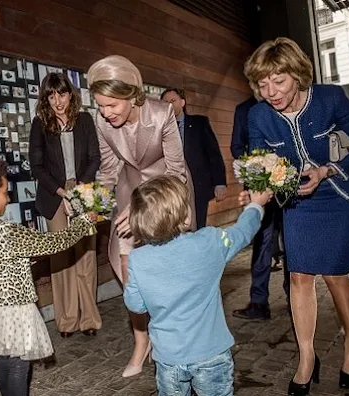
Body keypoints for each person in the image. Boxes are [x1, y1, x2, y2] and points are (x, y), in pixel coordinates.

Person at [242, 37, 349, 395]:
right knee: (299, 275)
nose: (270, 91)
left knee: (334, 274)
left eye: (279, 80)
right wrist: (257, 186)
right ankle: (306, 358)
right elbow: (261, 162)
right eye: (262, 83)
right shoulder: (258, 115)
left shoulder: (330, 98)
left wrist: (326, 170)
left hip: (339, 194)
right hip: (298, 199)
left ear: (298, 75)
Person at [87, 54, 196, 377]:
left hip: (168, 192)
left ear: (132, 95)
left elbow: (176, 172)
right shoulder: (101, 119)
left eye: (112, 106)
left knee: (173, 270)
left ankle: (176, 337)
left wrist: (143, 208)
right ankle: (142, 339)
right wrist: (91, 200)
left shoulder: (161, 113)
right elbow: (109, 170)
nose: (106, 113)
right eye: (101, 106)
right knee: (127, 266)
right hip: (129, 190)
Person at [0, 155, 94, 396]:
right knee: (19, 365)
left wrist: (15, 267)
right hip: (17, 310)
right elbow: (54, 243)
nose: (8, 198)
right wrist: (81, 223)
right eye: (5, 193)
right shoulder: (8, 230)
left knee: (3, 361)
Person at [124, 175, 271, 395]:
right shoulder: (210, 241)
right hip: (211, 353)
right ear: (183, 216)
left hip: (168, 358)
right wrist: (255, 205)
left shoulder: (138, 259)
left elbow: (135, 305)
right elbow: (242, 233)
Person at [29, 72, 102, 338]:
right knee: (61, 258)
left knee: (85, 255)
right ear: (45, 98)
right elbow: (36, 166)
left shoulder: (84, 121)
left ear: (71, 94)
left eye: (62, 93)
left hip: (82, 189)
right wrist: (62, 192)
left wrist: (79, 191)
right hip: (53, 194)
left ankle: (89, 320)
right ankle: (68, 320)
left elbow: (95, 157)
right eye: (51, 95)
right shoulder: (40, 124)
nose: (57, 101)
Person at [231, 96, 290, 320]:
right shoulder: (243, 109)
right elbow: (236, 146)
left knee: (290, 242)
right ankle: (258, 302)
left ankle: (294, 297)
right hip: (258, 187)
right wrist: (256, 165)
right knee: (262, 245)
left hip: (287, 183)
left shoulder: (284, 101)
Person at [160, 87, 227, 228]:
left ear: (182, 102)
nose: (169, 105)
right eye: (165, 102)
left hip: (198, 186)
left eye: (173, 100)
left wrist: (220, 183)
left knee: (197, 225)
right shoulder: (159, 128)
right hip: (171, 186)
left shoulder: (199, 123)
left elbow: (213, 154)